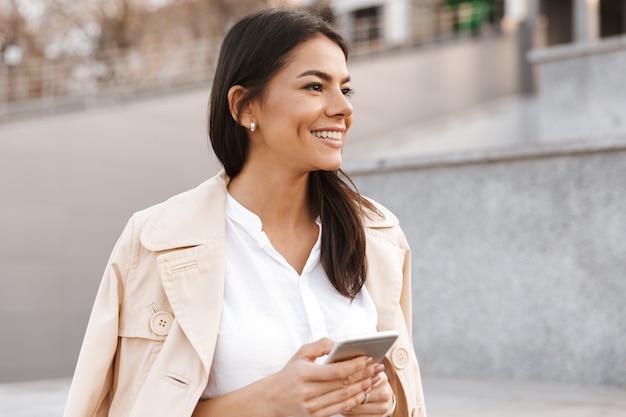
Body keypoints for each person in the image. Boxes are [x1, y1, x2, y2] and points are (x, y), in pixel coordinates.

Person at [63, 7, 427, 417]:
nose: (342, 107)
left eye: (345, 89)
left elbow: (404, 397)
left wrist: (382, 402)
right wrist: (269, 402)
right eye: (314, 87)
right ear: (244, 107)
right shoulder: (155, 242)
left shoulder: (379, 234)